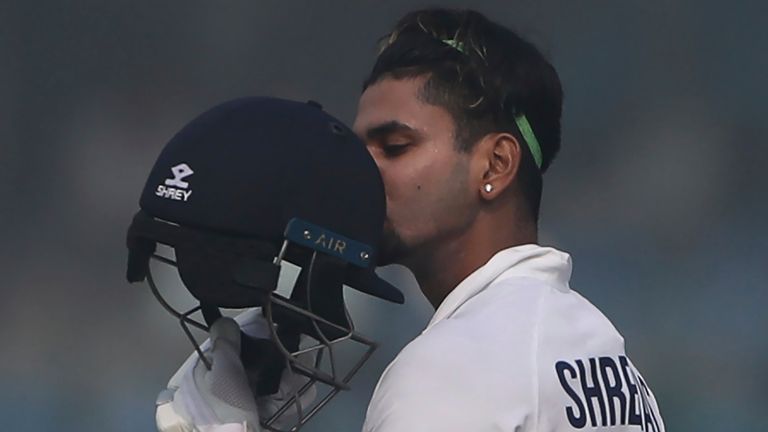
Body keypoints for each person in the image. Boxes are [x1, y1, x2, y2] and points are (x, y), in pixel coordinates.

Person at [158, 8, 665, 432]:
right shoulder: (606, 355)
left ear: (495, 165)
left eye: (395, 147)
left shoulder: (453, 369)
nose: (360, 174)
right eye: (359, 150)